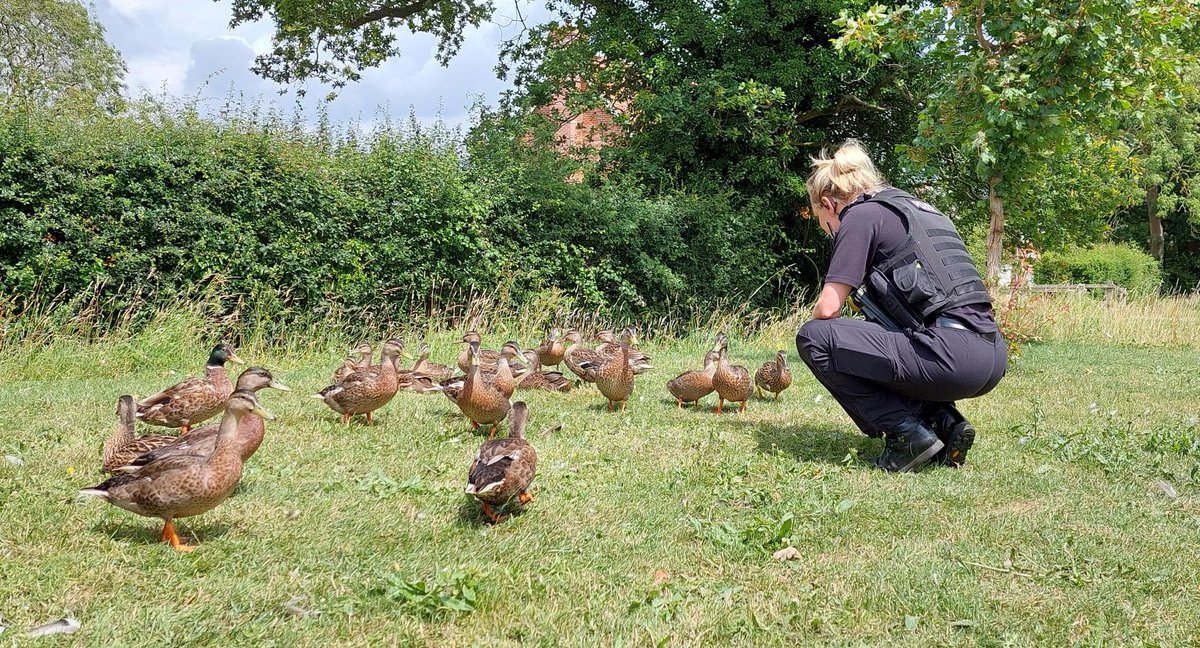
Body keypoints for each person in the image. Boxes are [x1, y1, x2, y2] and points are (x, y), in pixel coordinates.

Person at [795, 140, 1007, 472]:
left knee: (815, 336)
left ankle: (906, 434)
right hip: (990, 356)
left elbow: (827, 309)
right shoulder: (917, 209)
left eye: (824, 224)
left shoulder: (860, 216)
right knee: (886, 339)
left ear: (828, 204)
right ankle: (943, 422)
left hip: (950, 356)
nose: (829, 232)